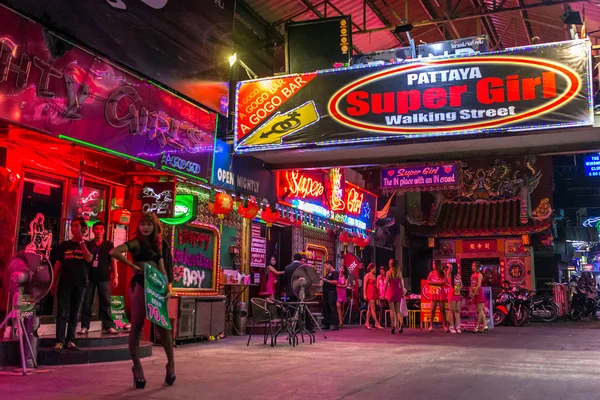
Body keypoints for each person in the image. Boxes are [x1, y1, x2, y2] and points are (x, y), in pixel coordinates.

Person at [110, 213, 175, 389]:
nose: (145, 227)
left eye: (149, 224)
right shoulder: (135, 243)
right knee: (137, 326)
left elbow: (161, 266)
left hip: (157, 287)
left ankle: (171, 364)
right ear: (138, 226)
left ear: (154, 226)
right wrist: (132, 265)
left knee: (164, 326)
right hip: (140, 285)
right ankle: (137, 367)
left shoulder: (157, 243)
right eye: (143, 224)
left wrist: (167, 287)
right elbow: (114, 251)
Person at [52, 217, 94, 350]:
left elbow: (89, 258)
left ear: (83, 228)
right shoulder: (64, 245)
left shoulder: (88, 244)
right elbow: (58, 264)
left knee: (74, 313)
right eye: (72, 226)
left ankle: (70, 340)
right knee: (62, 312)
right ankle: (59, 340)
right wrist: (53, 282)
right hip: (65, 282)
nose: (74, 228)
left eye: (77, 226)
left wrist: (81, 241)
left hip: (80, 283)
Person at [79, 222, 119, 335]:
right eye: (96, 229)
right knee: (87, 301)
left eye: (101, 229)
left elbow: (113, 260)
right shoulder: (88, 244)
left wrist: (115, 275)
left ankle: (108, 326)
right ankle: (85, 326)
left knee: (105, 301)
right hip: (90, 277)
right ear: (93, 230)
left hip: (104, 277)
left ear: (104, 231)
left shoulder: (108, 244)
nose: (98, 231)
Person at [427, 260, 448, 332]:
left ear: (437, 265)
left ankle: (444, 326)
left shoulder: (442, 273)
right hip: (433, 293)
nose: (432, 265)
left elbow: (444, 282)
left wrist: (437, 283)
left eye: (434, 264)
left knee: (442, 310)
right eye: (432, 264)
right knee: (432, 309)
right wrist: (436, 283)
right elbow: (428, 281)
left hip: (441, 293)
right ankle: (430, 326)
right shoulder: (431, 273)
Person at [385, 259, 404, 334]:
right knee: (398, 311)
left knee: (392, 310)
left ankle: (393, 326)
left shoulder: (388, 273)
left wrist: (384, 292)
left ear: (390, 264)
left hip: (391, 291)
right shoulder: (399, 272)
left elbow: (386, 284)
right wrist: (402, 291)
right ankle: (401, 324)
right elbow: (401, 284)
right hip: (397, 291)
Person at [363, 263, 382, 329]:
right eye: (374, 268)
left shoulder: (374, 276)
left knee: (369, 309)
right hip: (369, 293)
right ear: (371, 268)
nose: (375, 270)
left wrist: (378, 294)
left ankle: (367, 322)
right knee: (373, 308)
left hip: (374, 293)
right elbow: (364, 286)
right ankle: (376, 323)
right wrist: (364, 294)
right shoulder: (367, 275)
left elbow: (376, 286)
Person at [321, 261, 339, 330]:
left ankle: (334, 324)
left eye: (326, 266)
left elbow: (336, 282)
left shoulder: (335, 273)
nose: (325, 268)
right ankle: (327, 323)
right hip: (326, 292)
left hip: (331, 292)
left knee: (332, 308)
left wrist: (327, 281)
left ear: (329, 265)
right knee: (326, 308)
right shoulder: (328, 274)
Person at [470, 261, 488, 333]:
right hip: (474, 292)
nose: (472, 267)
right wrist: (471, 291)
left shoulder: (479, 274)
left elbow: (479, 285)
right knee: (479, 310)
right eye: (472, 265)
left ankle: (477, 326)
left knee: (480, 310)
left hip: (479, 293)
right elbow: (471, 284)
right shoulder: (472, 275)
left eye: (474, 265)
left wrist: (475, 293)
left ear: (477, 267)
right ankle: (485, 326)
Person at [447, 262, 462, 334]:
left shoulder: (458, 276)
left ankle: (458, 326)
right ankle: (451, 326)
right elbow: (448, 273)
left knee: (457, 310)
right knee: (451, 310)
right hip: (452, 293)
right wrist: (450, 267)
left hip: (457, 293)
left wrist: (459, 288)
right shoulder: (450, 275)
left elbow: (461, 284)